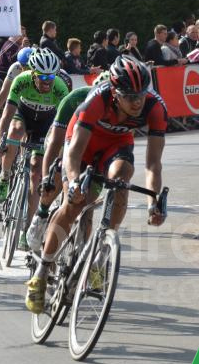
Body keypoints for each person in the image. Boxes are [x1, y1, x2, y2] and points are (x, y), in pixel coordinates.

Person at [24, 56, 168, 314]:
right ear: (114, 92)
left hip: (116, 145)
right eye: (130, 96)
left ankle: (100, 258)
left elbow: (153, 164)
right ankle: (42, 271)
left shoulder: (155, 107)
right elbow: (73, 153)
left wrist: (152, 202)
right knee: (74, 202)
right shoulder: (96, 101)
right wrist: (74, 180)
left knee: (122, 179)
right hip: (82, 145)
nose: (137, 102)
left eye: (141, 95)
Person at [25, 70, 113, 252]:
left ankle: (80, 257)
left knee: (85, 208)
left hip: (92, 153)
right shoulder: (75, 99)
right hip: (65, 142)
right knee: (55, 178)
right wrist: (46, 178)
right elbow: (55, 142)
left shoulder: (118, 110)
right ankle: (42, 213)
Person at [0, 49, 69, 251]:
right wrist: (1, 142)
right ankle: (5, 177)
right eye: (42, 77)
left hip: (46, 123)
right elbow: (6, 116)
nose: (47, 81)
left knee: (36, 174)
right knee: (15, 131)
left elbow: (65, 126)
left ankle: (27, 231)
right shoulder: (22, 80)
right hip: (23, 116)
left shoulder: (60, 88)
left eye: (51, 76)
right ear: (33, 73)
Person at [0, 47, 34, 126]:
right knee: (14, 126)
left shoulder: (40, 70)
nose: (26, 69)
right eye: (23, 66)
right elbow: (4, 91)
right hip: (21, 101)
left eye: (29, 67)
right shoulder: (15, 68)